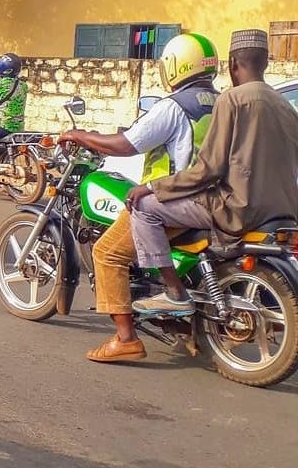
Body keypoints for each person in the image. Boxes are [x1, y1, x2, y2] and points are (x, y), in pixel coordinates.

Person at [58, 33, 220, 362]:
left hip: (171, 201)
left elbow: (127, 144)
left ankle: (125, 338)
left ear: (175, 66)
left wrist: (81, 136)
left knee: (107, 253)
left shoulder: (173, 107)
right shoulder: (219, 103)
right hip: (210, 200)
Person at [125, 29, 298, 318]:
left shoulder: (232, 100)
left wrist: (154, 187)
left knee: (144, 208)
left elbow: (208, 170)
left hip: (236, 208)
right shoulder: (286, 106)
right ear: (266, 62)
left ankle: (174, 292)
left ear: (232, 64)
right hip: (283, 212)